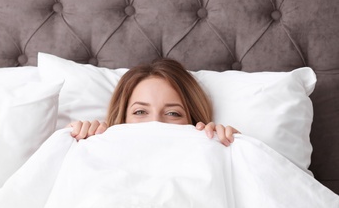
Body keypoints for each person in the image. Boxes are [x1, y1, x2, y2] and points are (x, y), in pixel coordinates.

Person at [68, 58, 239, 146]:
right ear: (122, 118)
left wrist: (233, 146)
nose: (155, 122)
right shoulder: (94, 146)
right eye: (140, 112)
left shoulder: (211, 150)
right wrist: (72, 139)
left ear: (193, 121)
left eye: (173, 113)